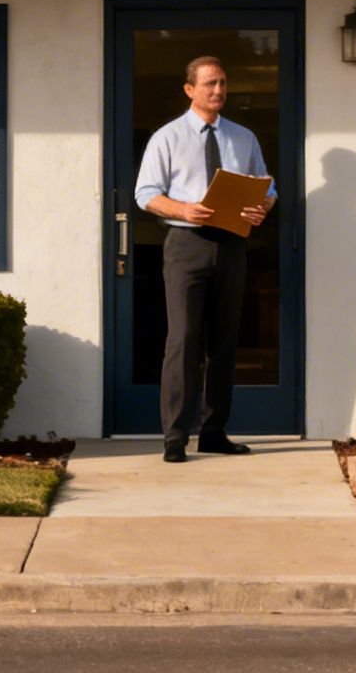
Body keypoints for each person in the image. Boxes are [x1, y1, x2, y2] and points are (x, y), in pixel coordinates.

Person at [135, 55, 275, 463]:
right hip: (186, 244)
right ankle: (175, 437)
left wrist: (261, 207)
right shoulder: (167, 137)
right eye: (210, 84)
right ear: (190, 89)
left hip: (232, 244)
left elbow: (267, 187)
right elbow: (146, 193)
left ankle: (214, 431)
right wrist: (183, 209)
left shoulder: (243, 137)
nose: (218, 91)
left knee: (225, 343)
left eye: (223, 83)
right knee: (183, 341)